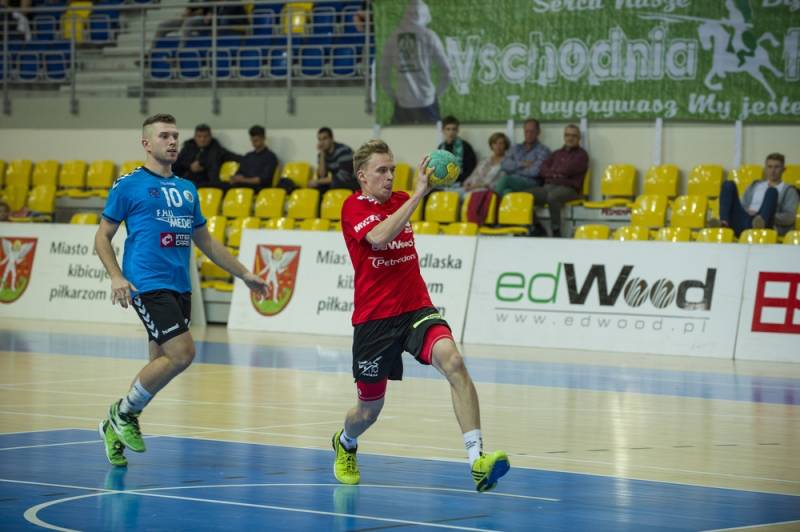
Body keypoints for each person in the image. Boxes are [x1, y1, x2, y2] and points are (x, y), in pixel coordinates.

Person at [333, 139, 510, 493]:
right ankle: (346, 442)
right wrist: (417, 195)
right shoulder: (353, 207)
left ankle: (477, 461)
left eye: (392, 170)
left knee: (454, 361)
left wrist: (415, 194)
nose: (389, 177)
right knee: (368, 411)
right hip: (375, 320)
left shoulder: (400, 200)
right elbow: (379, 237)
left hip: (416, 308)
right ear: (362, 176)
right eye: (382, 171)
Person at [94, 113, 267, 467]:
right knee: (183, 353)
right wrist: (116, 276)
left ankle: (114, 428)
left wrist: (245, 274)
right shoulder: (128, 185)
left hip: (179, 286)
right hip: (146, 282)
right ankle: (121, 414)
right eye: (164, 136)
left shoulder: (187, 189)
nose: (172, 141)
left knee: (159, 364)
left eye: (175, 135)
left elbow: (207, 242)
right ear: (146, 143)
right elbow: (102, 237)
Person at [378, 0, 450, 125]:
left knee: (400, 136)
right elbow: (447, 71)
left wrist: (393, 95)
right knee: (432, 136)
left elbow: (383, 73)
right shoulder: (430, 36)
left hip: (402, 102)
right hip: (427, 101)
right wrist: (435, 95)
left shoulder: (393, 37)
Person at [710, 153, 799, 237]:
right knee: (728, 184)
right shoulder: (755, 185)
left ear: (783, 169)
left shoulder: (789, 190)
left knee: (772, 191)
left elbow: (790, 217)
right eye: (770, 167)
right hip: (745, 219)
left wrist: (769, 215)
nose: (773, 171)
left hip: (766, 223)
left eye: (776, 167)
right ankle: (724, 223)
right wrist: (746, 211)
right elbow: (743, 205)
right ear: (765, 168)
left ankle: (760, 223)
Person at [527, 124, 589, 237]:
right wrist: (556, 174)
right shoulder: (556, 154)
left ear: (579, 138)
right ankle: (537, 227)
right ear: (564, 137)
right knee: (526, 195)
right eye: (567, 135)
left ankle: (556, 231)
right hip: (549, 187)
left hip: (570, 189)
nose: (570, 138)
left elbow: (568, 170)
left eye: (574, 136)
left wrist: (552, 174)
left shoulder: (582, 155)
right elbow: (542, 169)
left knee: (553, 196)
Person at [494, 119, 551, 196]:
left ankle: (491, 202)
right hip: (514, 182)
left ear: (538, 132)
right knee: (507, 192)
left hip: (531, 183)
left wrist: (513, 169)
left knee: (506, 179)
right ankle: (494, 202)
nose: (529, 134)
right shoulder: (515, 148)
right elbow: (504, 164)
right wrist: (522, 164)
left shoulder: (543, 150)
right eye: (526, 131)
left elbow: (535, 172)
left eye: (532, 131)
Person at [173, 124, 239, 188]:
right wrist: (190, 166)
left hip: (207, 183)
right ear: (195, 137)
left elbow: (236, 158)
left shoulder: (217, 150)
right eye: (199, 136)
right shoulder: (188, 148)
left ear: (210, 137)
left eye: (205, 137)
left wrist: (203, 167)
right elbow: (179, 162)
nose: (202, 140)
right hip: (186, 182)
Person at [229, 125, 279, 190]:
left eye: (256, 140)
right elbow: (239, 173)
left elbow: (263, 180)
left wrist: (243, 180)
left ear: (263, 138)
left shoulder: (270, 157)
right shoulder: (248, 156)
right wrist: (235, 178)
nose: (254, 142)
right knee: (222, 185)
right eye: (252, 140)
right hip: (243, 186)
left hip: (258, 188)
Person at [309, 127, 357, 193]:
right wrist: (322, 153)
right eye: (320, 140)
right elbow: (322, 176)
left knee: (334, 184)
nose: (322, 142)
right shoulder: (322, 155)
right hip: (338, 182)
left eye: (325, 138)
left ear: (332, 139)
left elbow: (343, 176)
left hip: (354, 181)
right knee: (316, 188)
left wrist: (317, 181)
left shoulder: (344, 151)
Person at [437, 115, 477, 194]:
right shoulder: (441, 147)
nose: (451, 132)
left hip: (460, 183)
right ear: (443, 130)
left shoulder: (465, 146)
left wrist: (459, 180)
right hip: (443, 182)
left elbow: (471, 168)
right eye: (448, 129)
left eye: (454, 129)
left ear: (457, 130)